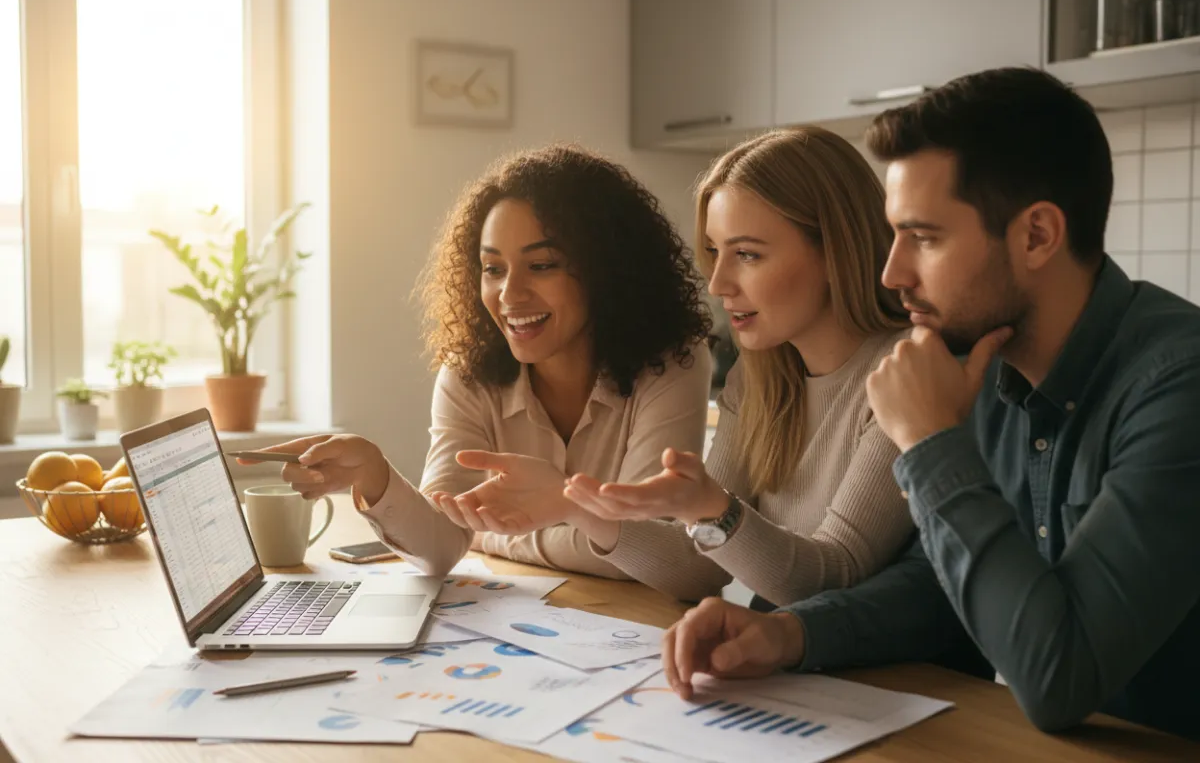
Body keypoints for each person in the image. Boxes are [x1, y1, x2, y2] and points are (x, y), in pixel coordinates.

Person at [657, 68, 1200, 741]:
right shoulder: (989, 364)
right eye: (894, 236)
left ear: (1036, 236)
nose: (892, 273)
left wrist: (930, 443)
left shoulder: (1179, 385)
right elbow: (941, 590)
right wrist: (788, 633)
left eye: (925, 238)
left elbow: (1060, 678)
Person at [457, 127, 915, 606]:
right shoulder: (759, 378)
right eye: (715, 253)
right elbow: (700, 571)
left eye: (748, 255)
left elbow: (829, 581)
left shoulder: (906, 376)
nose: (718, 284)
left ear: (835, 250)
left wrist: (712, 510)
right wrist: (577, 506)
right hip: (789, 663)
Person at [246, 144, 712, 577]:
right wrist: (376, 476)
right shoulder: (468, 373)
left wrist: (492, 535)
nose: (509, 293)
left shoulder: (672, 365)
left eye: (542, 265)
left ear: (608, 269)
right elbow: (440, 546)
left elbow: (661, 560)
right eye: (493, 269)